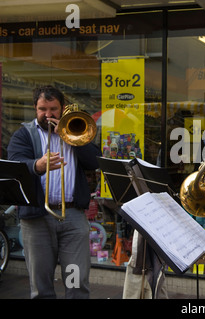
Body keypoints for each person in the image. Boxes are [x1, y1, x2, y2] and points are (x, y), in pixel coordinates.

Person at [7, 85, 102, 299]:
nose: (48, 115)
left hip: (73, 217)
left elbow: (94, 161)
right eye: (42, 109)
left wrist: (71, 138)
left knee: (76, 282)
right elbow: (15, 164)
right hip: (37, 219)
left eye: (53, 109)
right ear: (35, 108)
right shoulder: (24, 134)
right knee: (41, 287)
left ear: (63, 109)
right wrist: (37, 166)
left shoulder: (75, 130)